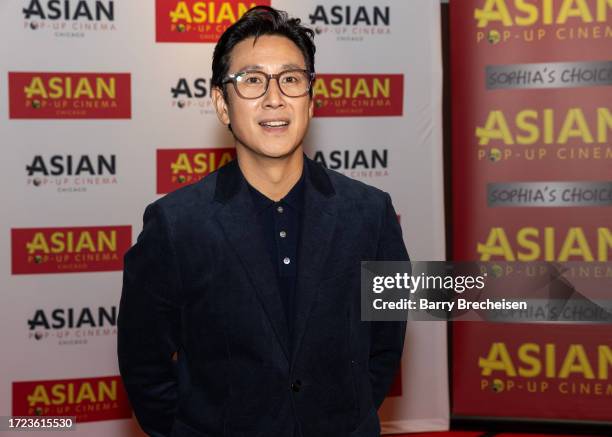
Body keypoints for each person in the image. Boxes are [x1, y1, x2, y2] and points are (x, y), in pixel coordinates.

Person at [118, 6, 408, 437]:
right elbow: (144, 366)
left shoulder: (370, 212)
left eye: (291, 79)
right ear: (222, 103)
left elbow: (386, 344)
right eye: (252, 80)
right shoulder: (175, 225)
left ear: (311, 98)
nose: (275, 98)